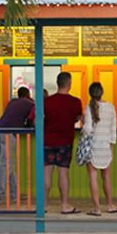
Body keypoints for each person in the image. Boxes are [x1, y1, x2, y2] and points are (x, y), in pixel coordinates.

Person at [43, 72, 83, 214]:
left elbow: (40, 119)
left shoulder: (46, 101)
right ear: (69, 84)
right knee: (63, 173)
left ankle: (44, 206)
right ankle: (65, 205)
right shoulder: (75, 102)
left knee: (46, 174)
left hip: (47, 141)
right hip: (65, 142)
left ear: (57, 83)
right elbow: (78, 118)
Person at [81, 82, 117, 216]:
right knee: (106, 177)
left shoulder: (89, 108)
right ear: (102, 92)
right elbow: (113, 131)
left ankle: (97, 208)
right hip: (105, 146)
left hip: (92, 147)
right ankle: (110, 205)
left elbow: (87, 129)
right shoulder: (111, 108)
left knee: (93, 176)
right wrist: (111, 148)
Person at [0, 87, 35, 204]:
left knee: (8, 162)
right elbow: (32, 119)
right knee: (5, 163)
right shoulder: (30, 103)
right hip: (9, 132)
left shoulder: (12, 101)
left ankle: (15, 193)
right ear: (27, 94)